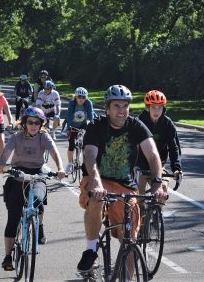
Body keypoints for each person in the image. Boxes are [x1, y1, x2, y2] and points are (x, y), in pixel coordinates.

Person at [77, 84, 167, 273]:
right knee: (96, 199)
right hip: (97, 179)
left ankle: (128, 277)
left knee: (130, 239)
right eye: (116, 106)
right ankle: (91, 249)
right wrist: (96, 181)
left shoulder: (135, 126)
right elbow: (90, 156)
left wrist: (157, 185)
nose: (122, 110)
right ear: (107, 108)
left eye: (125, 106)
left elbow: (153, 155)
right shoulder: (96, 126)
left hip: (125, 185)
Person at [0, 106, 65, 270]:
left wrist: (60, 168)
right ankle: (7, 257)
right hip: (17, 174)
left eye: (37, 123)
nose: (33, 125)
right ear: (24, 123)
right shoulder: (17, 137)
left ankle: (39, 226)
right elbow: (6, 152)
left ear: (41, 124)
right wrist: (1, 165)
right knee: (13, 217)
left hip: (37, 174)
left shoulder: (43, 136)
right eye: (30, 122)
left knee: (39, 204)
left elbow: (54, 152)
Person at [136, 90, 183, 195]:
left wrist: (176, 169)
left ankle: (156, 211)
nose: (156, 111)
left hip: (159, 165)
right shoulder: (138, 122)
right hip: (140, 166)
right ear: (147, 108)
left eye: (160, 107)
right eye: (153, 107)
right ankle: (140, 209)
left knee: (162, 192)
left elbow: (173, 147)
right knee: (138, 197)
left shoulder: (167, 124)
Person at [65, 87, 94, 174]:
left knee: (86, 145)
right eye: (79, 97)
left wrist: (91, 126)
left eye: (83, 97)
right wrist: (69, 127)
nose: (81, 99)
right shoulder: (72, 103)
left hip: (83, 125)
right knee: (71, 145)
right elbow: (69, 115)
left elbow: (90, 115)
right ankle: (70, 164)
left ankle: (85, 164)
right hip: (73, 125)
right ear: (76, 97)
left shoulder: (88, 103)